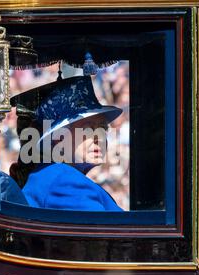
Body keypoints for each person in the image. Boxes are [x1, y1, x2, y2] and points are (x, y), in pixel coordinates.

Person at [10, 76, 123, 211]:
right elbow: (106, 231)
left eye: (103, 129)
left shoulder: (54, 175)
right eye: (88, 129)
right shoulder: (65, 181)